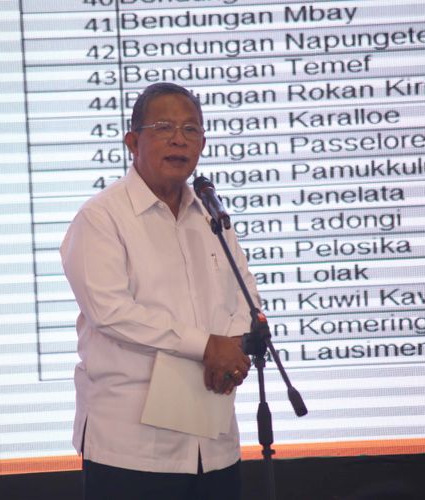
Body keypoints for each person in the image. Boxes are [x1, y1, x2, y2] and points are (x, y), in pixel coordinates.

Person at [60, 82, 260, 500]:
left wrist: (234, 347)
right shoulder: (101, 218)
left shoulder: (210, 214)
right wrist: (207, 345)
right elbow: (111, 312)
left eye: (191, 130)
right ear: (133, 141)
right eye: (164, 127)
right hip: (133, 449)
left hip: (214, 438)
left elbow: (245, 294)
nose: (179, 139)